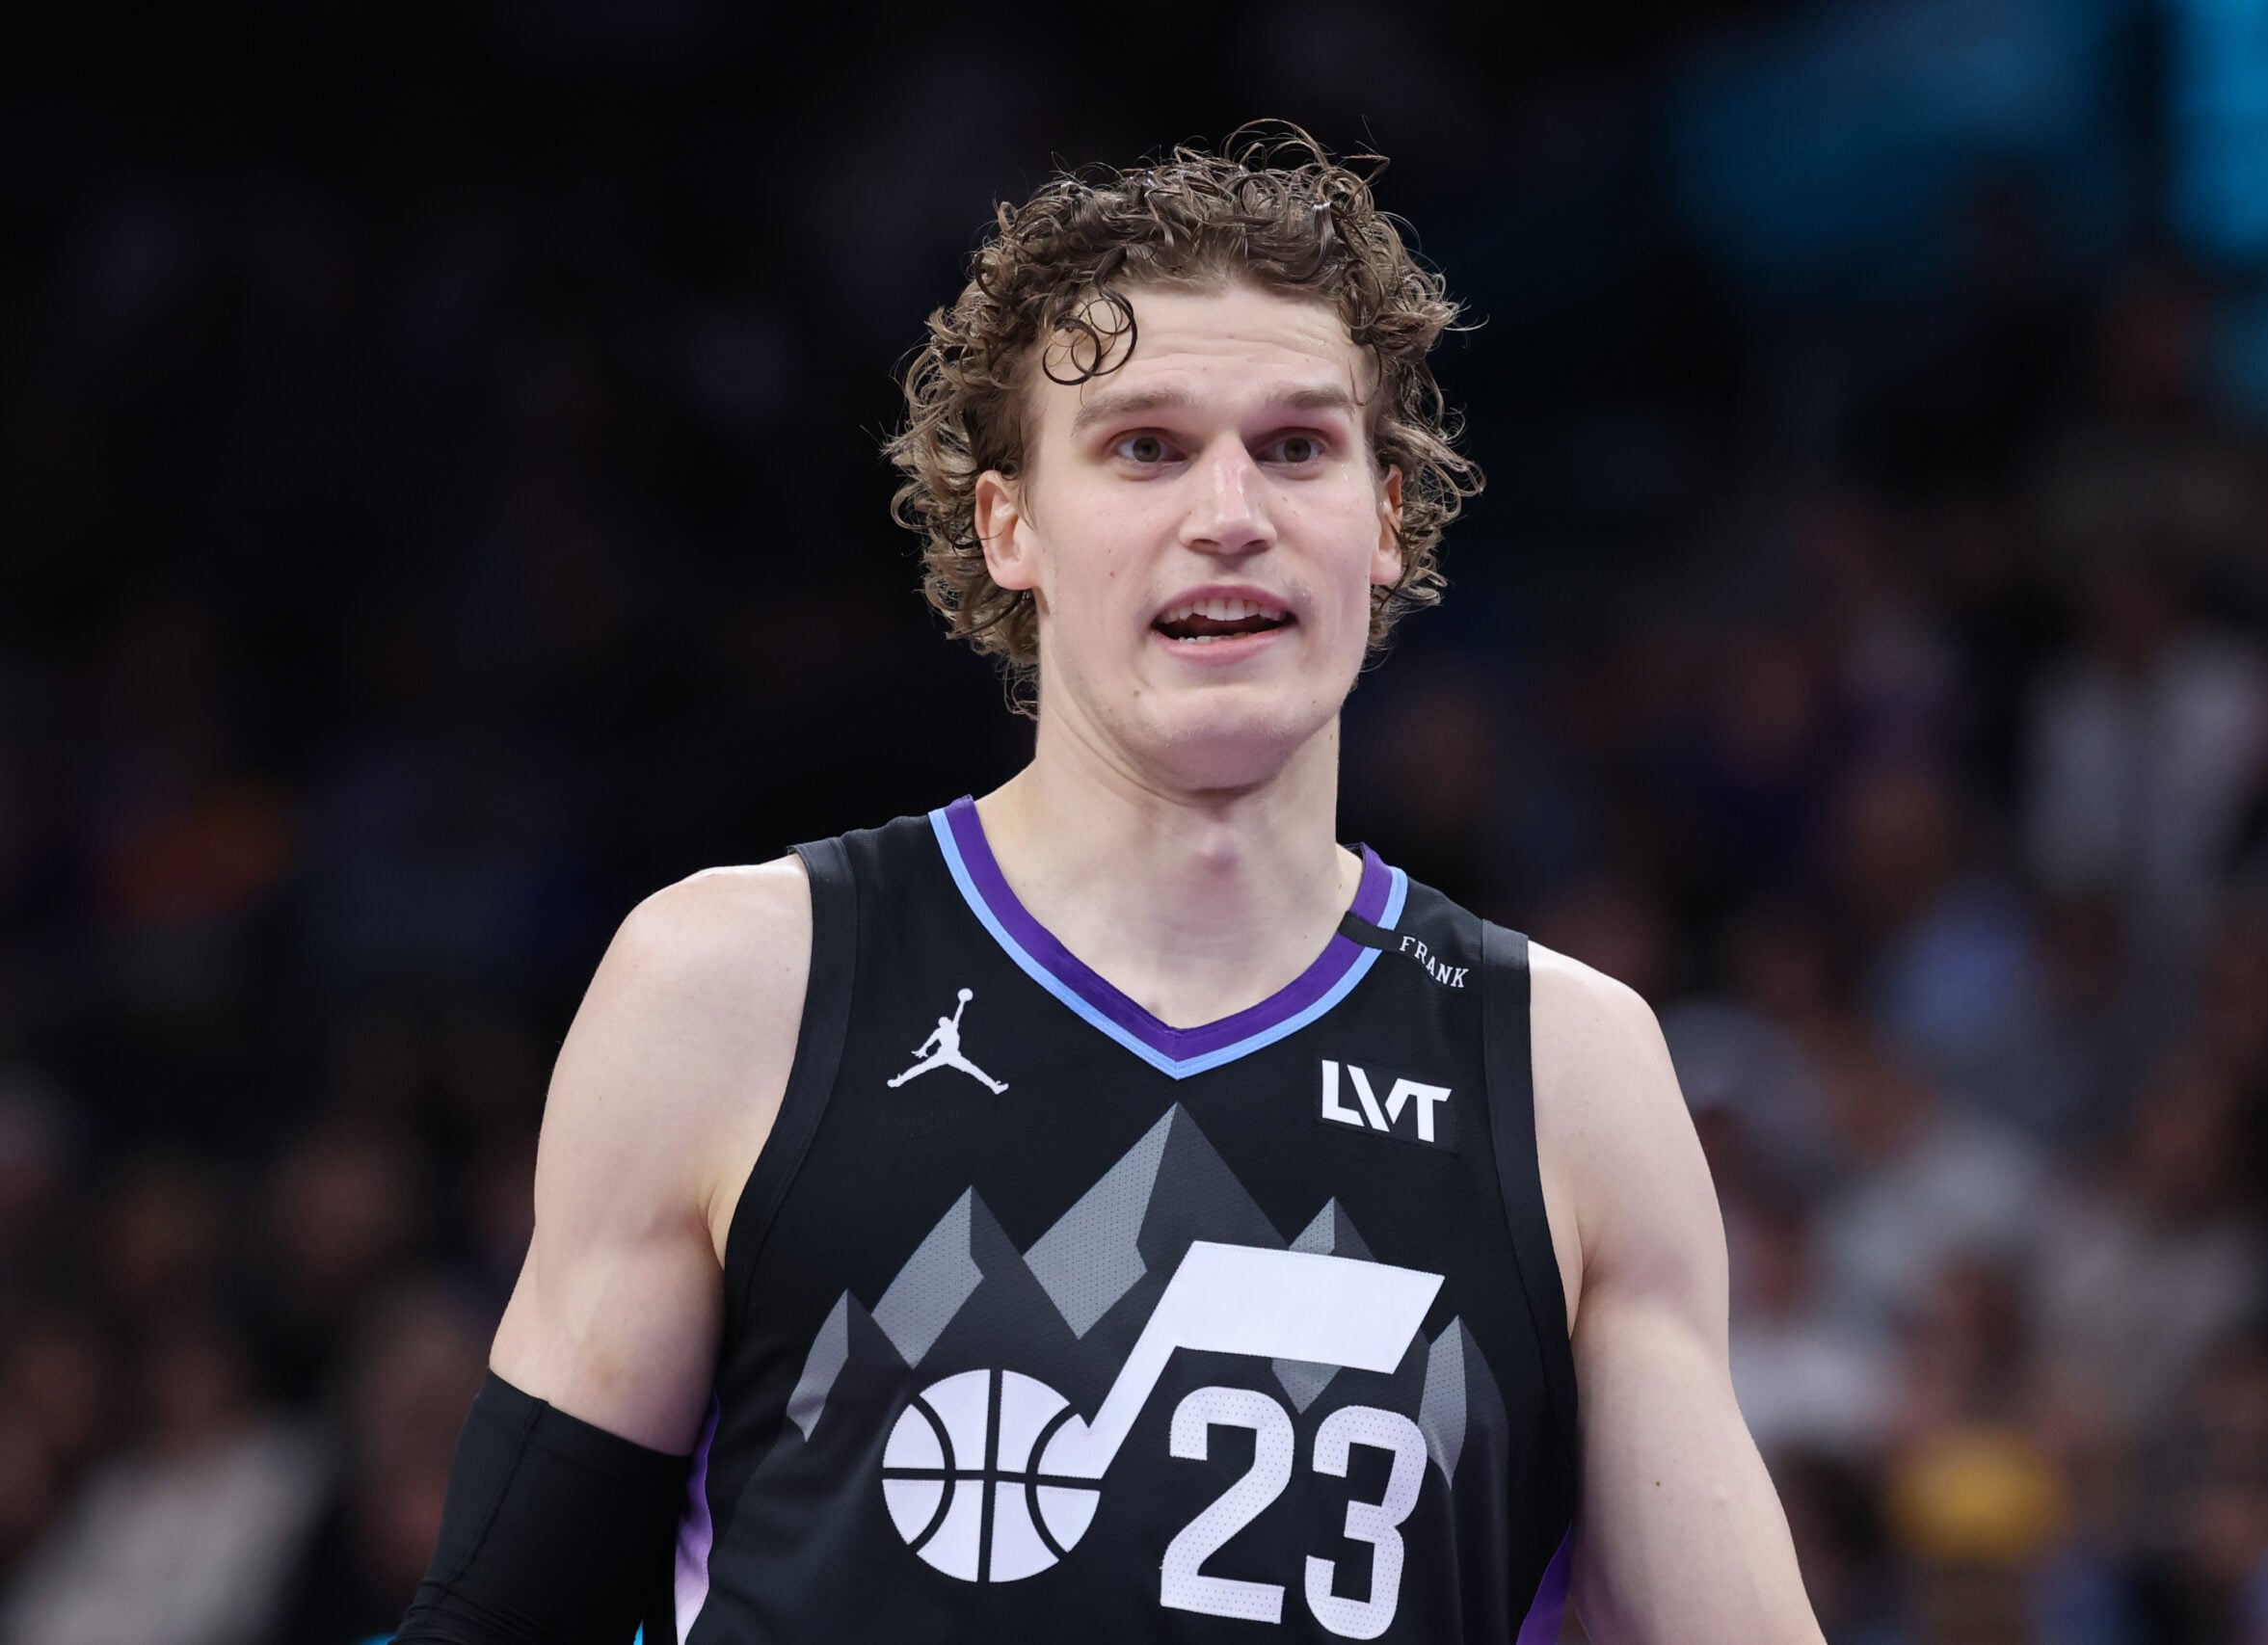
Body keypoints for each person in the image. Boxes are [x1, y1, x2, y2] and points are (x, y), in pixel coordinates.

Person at [394, 126, 1824, 1644]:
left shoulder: (1566, 1067)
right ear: (1009, 525)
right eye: (1145, 448)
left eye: (1297, 447)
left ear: (1387, 517)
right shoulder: (737, 982)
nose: (1231, 512)